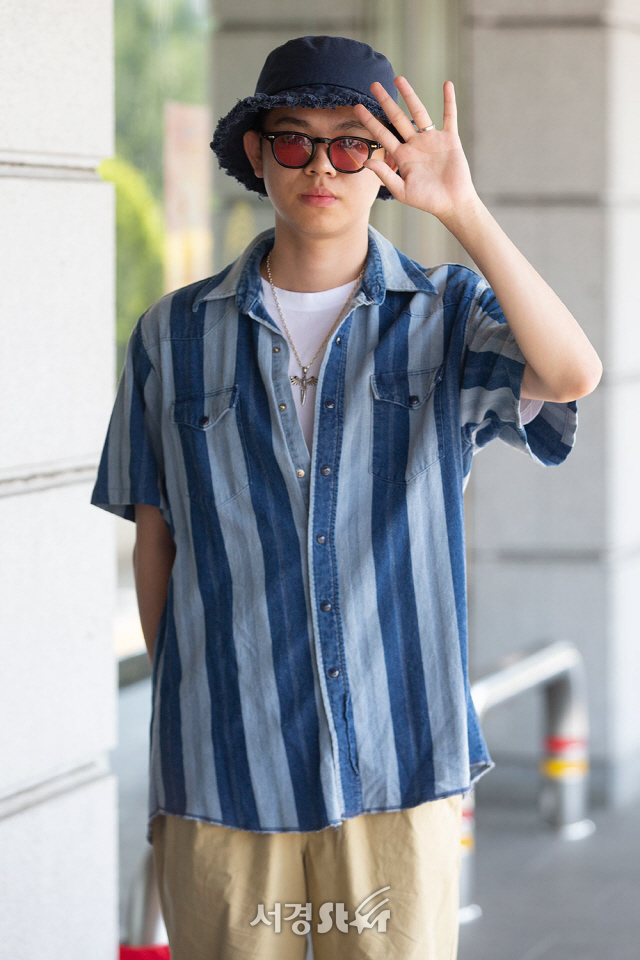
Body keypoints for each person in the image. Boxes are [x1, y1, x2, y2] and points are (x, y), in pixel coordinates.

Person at [91, 34, 602, 960]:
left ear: (385, 163)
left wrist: (464, 209)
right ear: (258, 155)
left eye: (353, 144)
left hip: (400, 764)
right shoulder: (172, 334)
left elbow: (572, 374)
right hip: (226, 771)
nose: (321, 166)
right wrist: (194, 706)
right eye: (295, 141)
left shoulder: (445, 313)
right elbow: (156, 539)